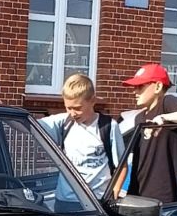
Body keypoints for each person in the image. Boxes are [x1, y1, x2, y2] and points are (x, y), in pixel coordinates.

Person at [120, 63, 177, 204]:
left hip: (162, 196)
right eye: (134, 87)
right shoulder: (139, 118)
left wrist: (164, 118)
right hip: (137, 191)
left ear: (158, 87)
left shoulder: (167, 103)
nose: (135, 91)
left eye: (140, 86)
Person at [39, 73, 125, 205]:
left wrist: (114, 193)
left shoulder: (108, 126)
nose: (73, 113)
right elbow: (26, 125)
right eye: (68, 108)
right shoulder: (63, 122)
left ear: (92, 101)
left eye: (78, 108)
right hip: (66, 201)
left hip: (97, 201)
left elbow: (121, 165)